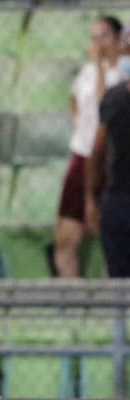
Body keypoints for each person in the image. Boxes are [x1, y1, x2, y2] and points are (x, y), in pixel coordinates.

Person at [55, 16, 124, 278]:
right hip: (82, 154)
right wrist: (78, 124)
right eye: (94, 37)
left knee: (110, 236)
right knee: (65, 236)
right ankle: (72, 305)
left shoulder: (121, 74)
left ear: (118, 40)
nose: (98, 43)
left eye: (104, 36)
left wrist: (99, 67)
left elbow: (103, 105)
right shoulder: (87, 71)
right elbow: (74, 99)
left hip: (109, 160)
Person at [85, 29, 130, 278]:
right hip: (118, 198)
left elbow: (98, 151)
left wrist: (92, 198)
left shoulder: (115, 99)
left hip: (118, 199)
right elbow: (98, 151)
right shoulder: (114, 99)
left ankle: (120, 317)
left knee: (119, 279)